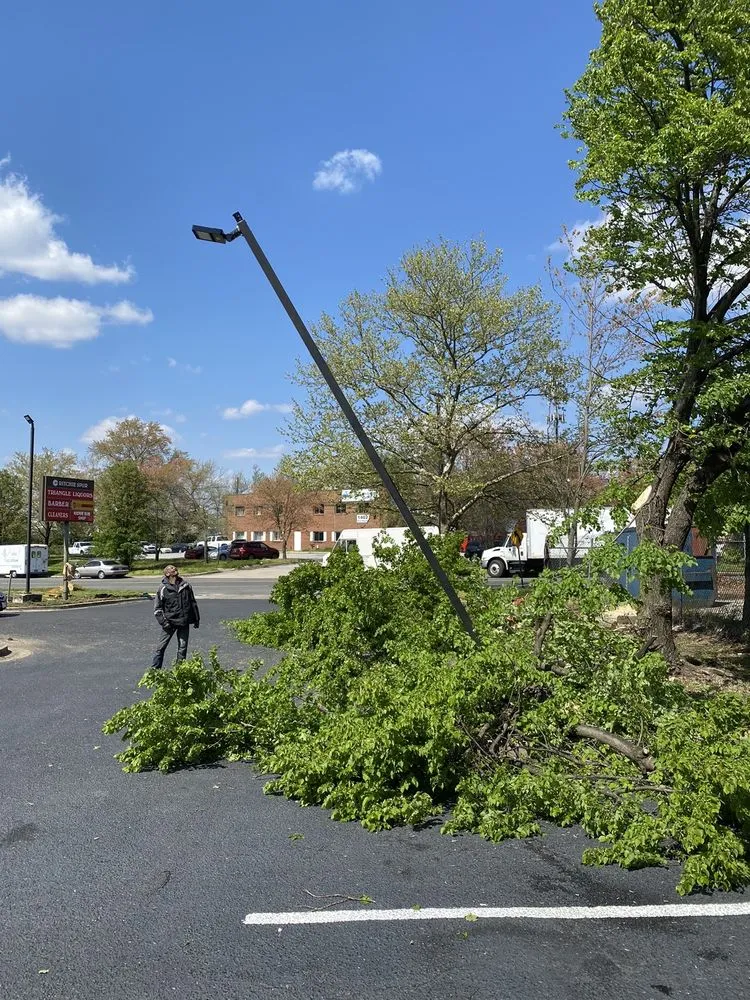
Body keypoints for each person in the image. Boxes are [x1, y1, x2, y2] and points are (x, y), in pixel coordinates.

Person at [151, 564, 200, 669]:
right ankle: (155, 669)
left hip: (184, 622)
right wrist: (164, 623)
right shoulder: (163, 588)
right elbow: (157, 609)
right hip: (170, 623)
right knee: (161, 647)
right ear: (167, 573)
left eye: (175, 568)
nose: (174, 569)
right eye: (171, 568)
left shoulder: (186, 585)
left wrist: (196, 619)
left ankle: (179, 669)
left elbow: (193, 603)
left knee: (182, 647)